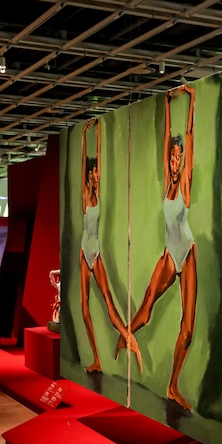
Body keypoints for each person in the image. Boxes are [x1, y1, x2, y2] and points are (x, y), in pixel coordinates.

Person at [118, 84, 197, 412]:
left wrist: (190, 101)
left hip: (187, 253)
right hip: (169, 254)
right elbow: (169, 137)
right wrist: (166, 103)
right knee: (147, 307)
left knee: (188, 328)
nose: (176, 160)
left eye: (179, 157)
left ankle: (173, 386)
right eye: (173, 157)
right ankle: (124, 336)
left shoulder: (186, 182)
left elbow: (188, 136)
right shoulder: (168, 181)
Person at [78, 117, 141, 374]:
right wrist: (84, 137)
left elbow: (100, 159)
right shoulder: (85, 195)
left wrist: (100, 129)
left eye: (95, 172)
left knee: (109, 303)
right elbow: (85, 163)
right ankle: (96, 359)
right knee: (85, 309)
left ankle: (128, 338)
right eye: (93, 172)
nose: (95, 174)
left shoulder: (97, 194)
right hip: (84, 252)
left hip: (96, 253)